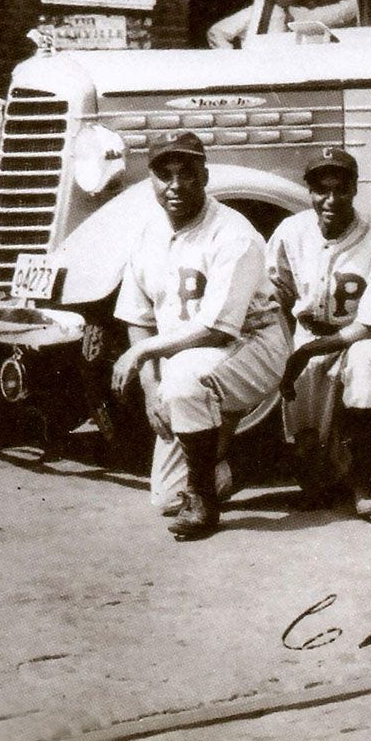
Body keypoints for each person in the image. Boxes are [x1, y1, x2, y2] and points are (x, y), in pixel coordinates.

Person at [109, 132, 289, 540]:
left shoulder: (232, 232)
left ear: (204, 176)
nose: (175, 185)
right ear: (151, 179)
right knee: (166, 498)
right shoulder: (148, 233)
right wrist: (151, 387)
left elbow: (216, 329)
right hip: (191, 360)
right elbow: (138, 317)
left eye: (186, 174)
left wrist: (140, 357)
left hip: (253, 346)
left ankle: (205, 502)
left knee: (188, 378)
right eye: (164, 174)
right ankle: (235, 466)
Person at [267, 147, 371, 521]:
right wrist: (286, 343)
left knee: (368, 363)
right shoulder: (291, 231)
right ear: (308, 190)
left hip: (360, 338)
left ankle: (367, 482)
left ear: (355, 189)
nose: (330, 199)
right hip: (307, 335)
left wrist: (314, 349)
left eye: (340, 189)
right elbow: (275, 292)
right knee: (313, 468)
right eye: (320, 189)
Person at [205, 0, 358, 49]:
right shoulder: (255, 12)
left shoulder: (299, 13)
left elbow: (332, 14)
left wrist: (357, 4)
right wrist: (235, 60)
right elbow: (216, 32)